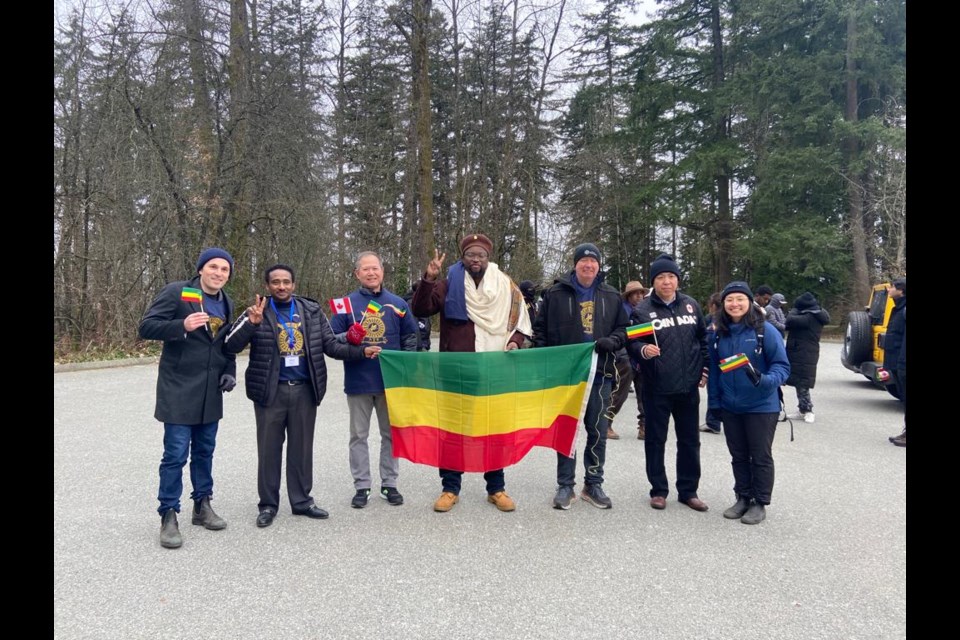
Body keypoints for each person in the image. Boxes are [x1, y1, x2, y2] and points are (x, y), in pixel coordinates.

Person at [224, 264, 380, 528]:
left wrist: (360, 352)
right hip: (270, 392)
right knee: (269, 450)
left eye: (286, 282)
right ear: (267, 286)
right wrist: (251, 324)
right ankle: (268, 505)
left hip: (305, 389)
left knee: (301, 449)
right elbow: (230, 344)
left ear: (294, 285)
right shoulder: (256, 311)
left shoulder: (310, 310)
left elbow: (330, 345)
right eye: (275, 282)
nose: (281, 286)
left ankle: (302, 501)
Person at [411, 233, 532, 512]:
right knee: (454, 429)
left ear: (488, 258)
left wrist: (515, 341)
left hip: (494, 367)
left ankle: (496, 488)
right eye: (470, 255)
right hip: (457, 369)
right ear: (463, 258)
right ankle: (450, 488)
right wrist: (428, 279)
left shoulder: (505, 285)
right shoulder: (449, 282)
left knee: (493, 427)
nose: (475, 260)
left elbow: (521, 322)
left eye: (480, 255)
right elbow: (420, 309)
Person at [139, 247, 238, 549]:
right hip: (179, 388)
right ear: (201, 269)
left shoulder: (227, 302)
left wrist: (230, 370)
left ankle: (202, 505)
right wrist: (180, 326)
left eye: (224, 269)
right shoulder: (177, 292)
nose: (218, 273)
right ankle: (168, 514)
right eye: (213, 267)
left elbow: (226, 344)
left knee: (205, 452)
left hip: (211, 391)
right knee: (175, 455)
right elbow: (146, 327)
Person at [534, 243, 629, 510]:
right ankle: (565, 485)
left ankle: (594, 483)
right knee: (567, 431)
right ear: (575, 264)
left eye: (593, 261)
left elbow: (624, 329)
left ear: (599, 266)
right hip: (566, 376)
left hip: (600, 373)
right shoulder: (555, 294)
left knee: (597, 431)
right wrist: (544, 363)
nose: (588, 265)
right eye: (583, 261)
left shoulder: (610, 295)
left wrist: (613, 340)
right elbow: (540, 332)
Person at [330, 252, 419, 508]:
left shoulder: (398, 304)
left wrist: (407, 369)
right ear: (357, 273)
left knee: (390, 434)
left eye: (375, 268)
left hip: (391, 382)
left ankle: (389, 483)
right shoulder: (345, 304)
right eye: (365, 269)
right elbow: (330, 340)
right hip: (359, 380)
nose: (371, 273)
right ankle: (362, 486)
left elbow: (411, 339)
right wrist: (349, 337)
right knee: (358, 435)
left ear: (382, 271)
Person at [626, 253, 710, 512]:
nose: (666, 282)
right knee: (655, 440)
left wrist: (704, 370)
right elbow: (633, 344)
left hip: (687, 388)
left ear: (677, 280)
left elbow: (703, 341)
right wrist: (644, 351)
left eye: (671, 277)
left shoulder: (691, 306)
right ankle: (659, 490)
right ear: (653, 282)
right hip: (656, 386)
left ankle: (688, 491)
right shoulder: (643, 310)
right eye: (661, 277)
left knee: (689, 441)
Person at [707, 282, 791, 525]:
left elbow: (782, 366)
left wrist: (765, 381)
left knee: (760, 455)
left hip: (761, 406)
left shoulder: (765, 330)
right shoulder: (718, 334)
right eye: (729, 299)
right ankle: (743, 496)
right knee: (738, 455)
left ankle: (760, 502)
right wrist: (714, 403)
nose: (735, 304)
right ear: (723, 304)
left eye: (739, 299)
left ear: (749, 302)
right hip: (731, 405)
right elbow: (715, 370)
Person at [606, 280, 649, 440]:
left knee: (644, 392)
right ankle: (606, 423)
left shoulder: (645, 311)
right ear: (628, 296)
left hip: (640, 355)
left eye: (641, 293)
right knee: (619, 392)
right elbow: (618, 333)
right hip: (623, 356)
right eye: (635, 293)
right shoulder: (620, 310)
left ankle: (644, 426)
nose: (639, 296)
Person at [784, 292, 830, 423]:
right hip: (804, 351)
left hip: (804, 353)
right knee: (800, 381)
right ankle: (803, 409)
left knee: (803, 381)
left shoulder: (809, 317)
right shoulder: (817, 314)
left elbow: (789, 320)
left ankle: (808, 410)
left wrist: (793, 310)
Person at [884, 278, 906, 446]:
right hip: (896, 362)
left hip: (903, 363)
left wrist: (901, 363)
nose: (889, 289)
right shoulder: (898, 308)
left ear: (901, 290)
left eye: (892, 287)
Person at [700, 292, 723, 435]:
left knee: (714, 390)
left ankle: (713, 422)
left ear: (713, 306)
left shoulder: (713, 322)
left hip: (715, 362)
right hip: (731, 363)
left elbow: (706, 345)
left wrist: (704, 368)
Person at [402, 282, 433, 351]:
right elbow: (414, 324)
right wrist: (421, 344)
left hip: (423, 343)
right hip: (418, 345)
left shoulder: (423, 301)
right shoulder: (411, 303)